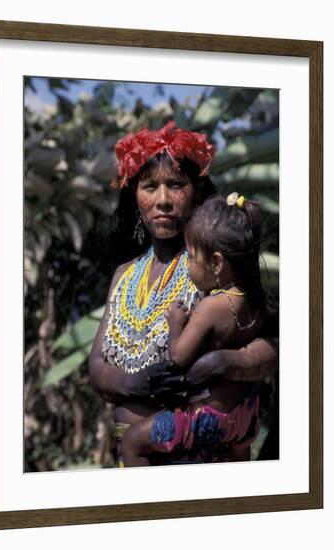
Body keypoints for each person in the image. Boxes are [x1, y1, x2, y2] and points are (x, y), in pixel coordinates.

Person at [88, 121, 278, 466]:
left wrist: (225, 363)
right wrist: (137, 383)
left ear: (197, 191)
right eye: (149, 186)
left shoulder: (216, 270)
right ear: (135, 196)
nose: (162, 200)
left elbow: (273, 343)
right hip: (132, 459)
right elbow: (96, 366)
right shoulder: (124, 275)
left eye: (176, 185)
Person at [121, 193, 268, 467]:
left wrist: (175, 323)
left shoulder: (211, 307)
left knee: (132, 441)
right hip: (245, 418)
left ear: (216, 263)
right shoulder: (256, 300)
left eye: (190, 256)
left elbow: (178, 356)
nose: (186, 264)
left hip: (210, 418)